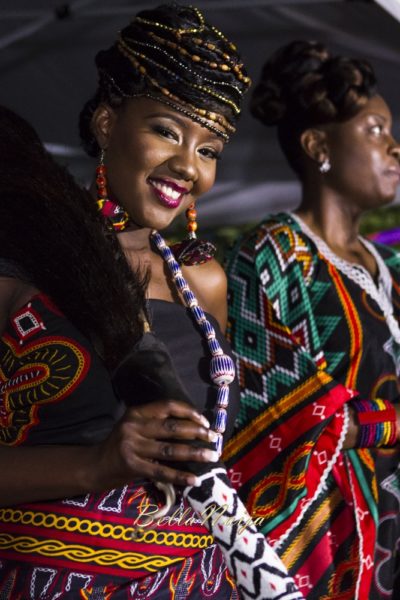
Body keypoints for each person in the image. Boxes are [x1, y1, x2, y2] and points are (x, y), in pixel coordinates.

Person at [0, 6, 303, 599]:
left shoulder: (203, 280)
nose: (188, 165)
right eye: (167, 130)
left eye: (209, 148)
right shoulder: (17, 268)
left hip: (197, 582)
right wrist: (96, 466)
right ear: (109, 123)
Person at [224, 40, 400, 599]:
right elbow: (286, 420)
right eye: (375, 131)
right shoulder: (270, 257)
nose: (395, 147)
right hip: (336, 551)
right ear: (318, 144)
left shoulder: (391, 264)